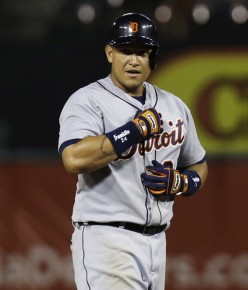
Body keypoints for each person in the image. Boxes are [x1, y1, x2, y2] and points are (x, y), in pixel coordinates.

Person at [58, 12, 208, 290]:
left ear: (153, 55)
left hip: (157, 241)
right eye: (126, 50)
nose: (134, 60)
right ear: (109, 53)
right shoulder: (88, 101)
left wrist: (184, 182)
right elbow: (73, 158)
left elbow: (198, 163)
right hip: (107, 239)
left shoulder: (173, 105)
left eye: (142, 51)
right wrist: (134, 131)